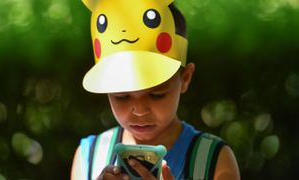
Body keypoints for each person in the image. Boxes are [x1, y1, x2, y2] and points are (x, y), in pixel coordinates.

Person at [71, 0, 240, 179]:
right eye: (121, 96)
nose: (140, 110)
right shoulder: (88, 157)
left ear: (185, 78)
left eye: (156, 94)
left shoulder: (214, 160)